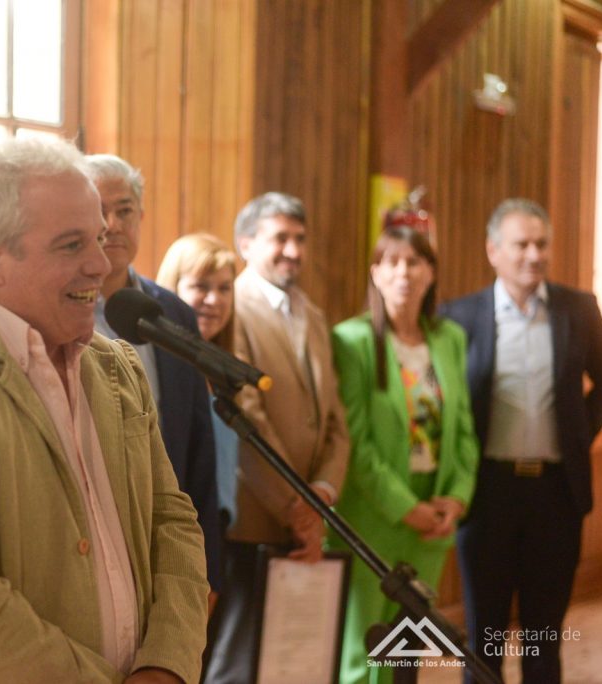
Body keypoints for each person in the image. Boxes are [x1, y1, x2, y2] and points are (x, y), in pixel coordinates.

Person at [0, 138, 209, 683]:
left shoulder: (117, 366)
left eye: (99, 238)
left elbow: (173, 524)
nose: (100, 264)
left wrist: (167, 664)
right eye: (72, 245)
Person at [441, 198, 602, 683]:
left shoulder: (578, 309)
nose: (534, 255)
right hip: (486, 494)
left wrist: (577, 436)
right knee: (485, 637)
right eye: (521, 244)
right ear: (493, 250)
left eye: (542, 244)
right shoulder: (459, 317)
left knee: (544, 637)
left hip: (555, 495)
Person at [204, 192, 349, 684]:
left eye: (300, 239)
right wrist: (295, 506)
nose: (293, 250)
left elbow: (334, 420)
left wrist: (322, 494)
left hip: (305, 521)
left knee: (289, 667)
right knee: (235, 667)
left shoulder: (313, 314)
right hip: (253, 520)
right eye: (280, 238)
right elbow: (244, 415)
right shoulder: (232, 307)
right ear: (246, 243)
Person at [329, 226, 479, 684]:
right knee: (363, 655)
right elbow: (356, 444)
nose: (404, 273)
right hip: (373, 514)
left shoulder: (448, 338)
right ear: (375, 272)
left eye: (414, 262)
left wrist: (456, 499)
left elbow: (464, 430)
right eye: (391, 262)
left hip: (433, 515)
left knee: (404, 653)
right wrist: (406, 508)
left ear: (431, 272)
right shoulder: (352, 339)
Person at [82, 154, 223, 601]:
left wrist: (206, 569)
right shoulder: (59, 310)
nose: (112, 225)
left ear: (141, 216)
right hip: (87, 536)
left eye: (124, 210)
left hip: (165, 538)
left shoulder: (173, 313)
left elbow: (198, 445)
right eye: (98, 211)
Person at [155, 233, 240, 535]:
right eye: (200, 287)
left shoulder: (226, 370)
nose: (214, 300)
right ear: (171, 290)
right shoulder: (156, 368)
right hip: (176, 533)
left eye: (224, 288)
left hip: (219, 530)